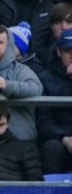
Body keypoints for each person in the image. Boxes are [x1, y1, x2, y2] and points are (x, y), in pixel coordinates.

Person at [36, 29, 72, 174]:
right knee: (52, 148)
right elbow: (43, 121)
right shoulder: (45, 78)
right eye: (68, 51)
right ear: (58, 52)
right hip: (58, 138)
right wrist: (64, 138)